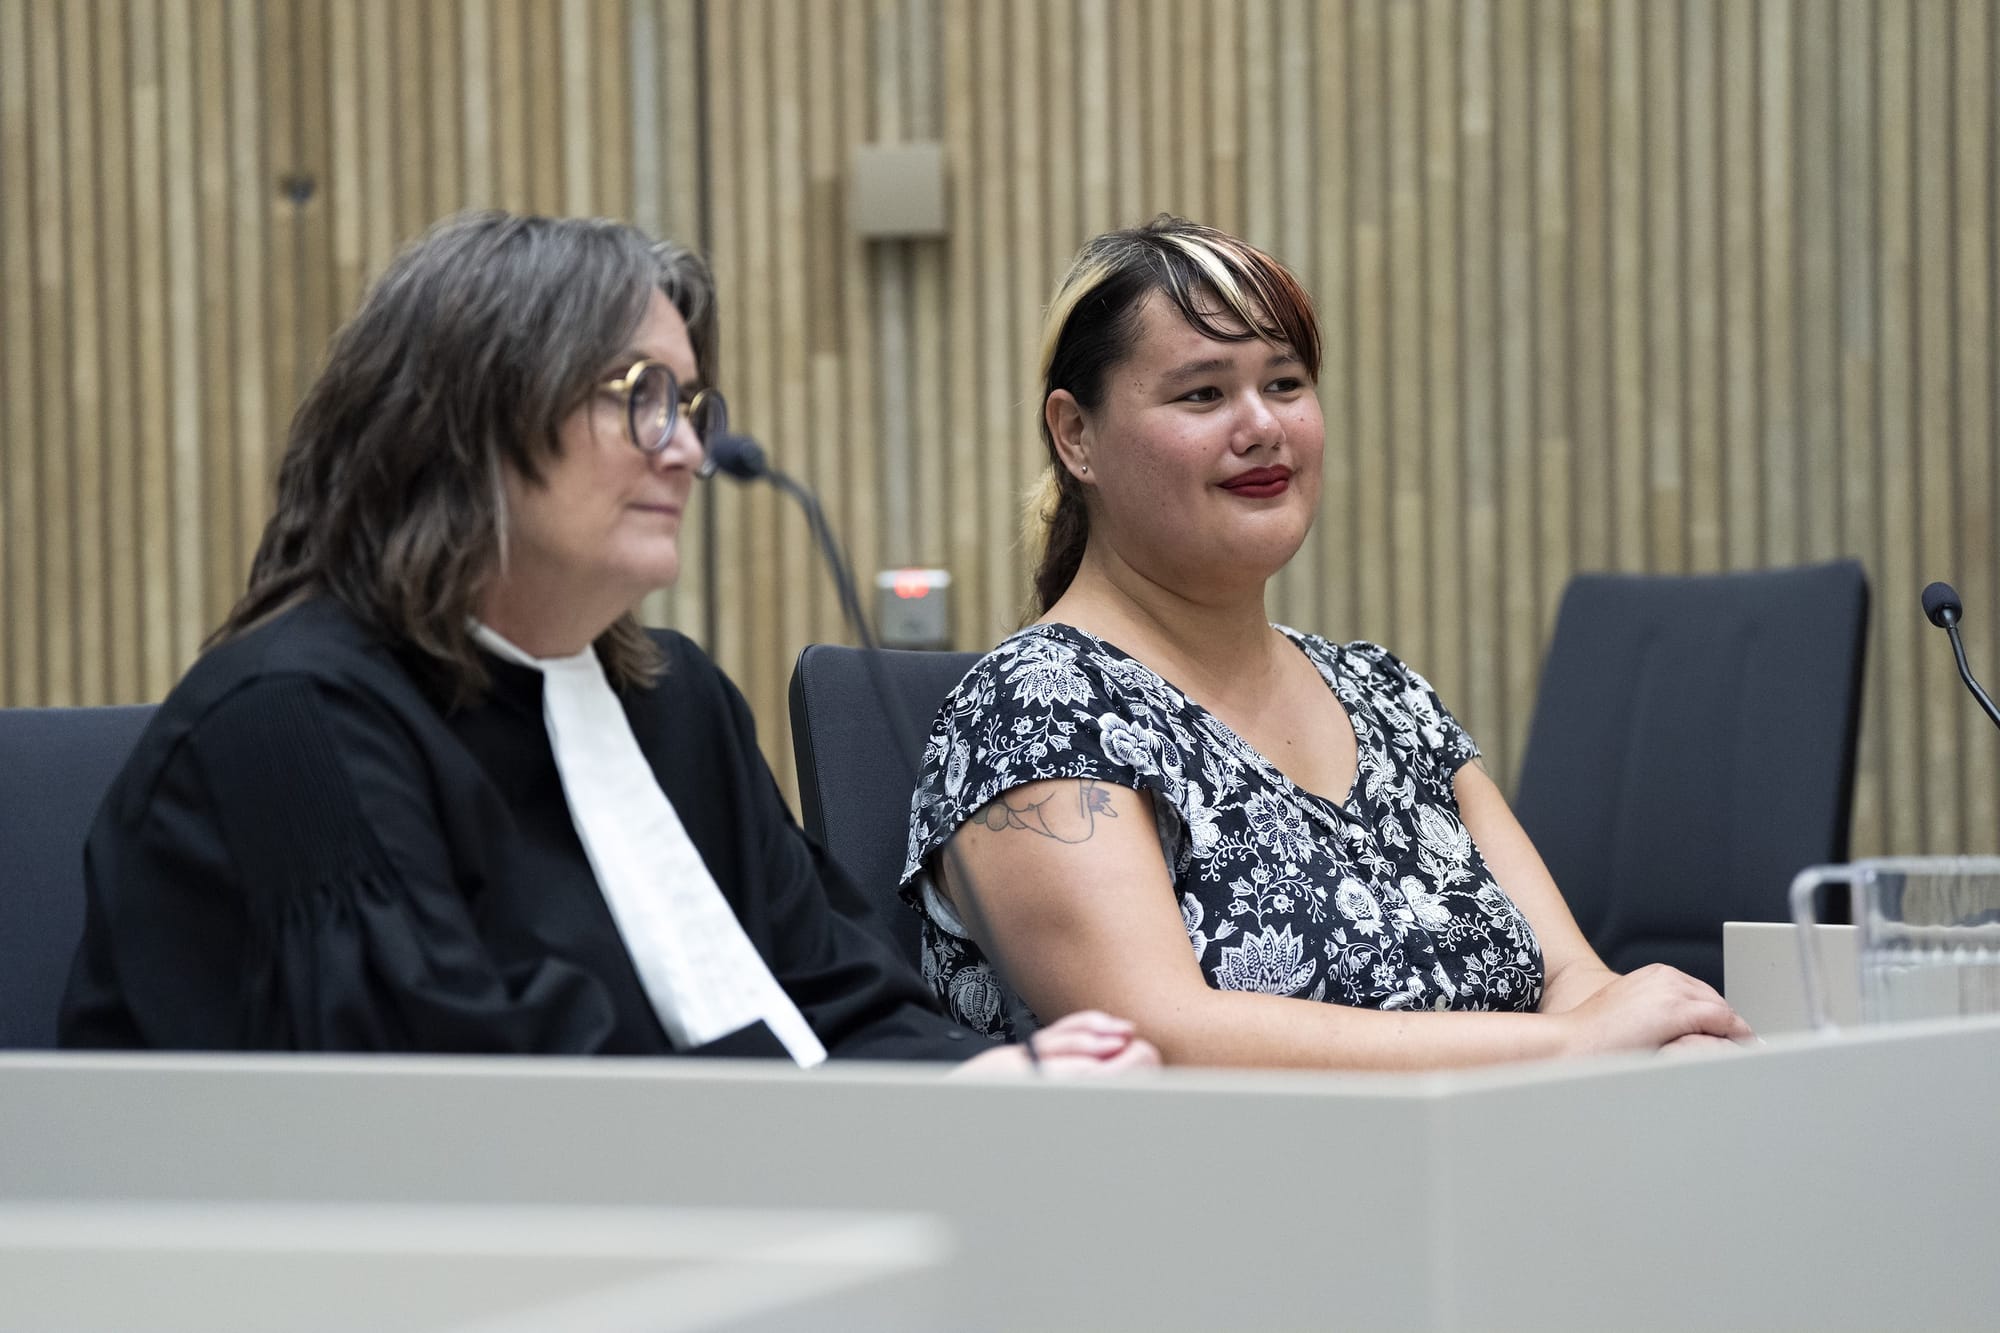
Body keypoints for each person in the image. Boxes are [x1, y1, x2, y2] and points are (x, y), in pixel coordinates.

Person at [60, 210, 1155, 1076]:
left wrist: (985, 1084)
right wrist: (825, 1134)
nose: (685, 450)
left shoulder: (677, 702)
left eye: (690, 404)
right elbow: (454, 1096)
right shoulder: (287, 720)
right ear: (465, 417)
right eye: (639, 396)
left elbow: (836, 994)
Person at [901, 216, 1753, 1068]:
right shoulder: (1035, 708)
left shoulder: (1384, 693)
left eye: (1285, 383)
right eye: (1203, 394)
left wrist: (1666, 1038)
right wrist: (1568, 1043)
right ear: (1075, 435)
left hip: (1509, 1143)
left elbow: (1572, 977)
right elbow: (1158, 1034)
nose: (1261, 426)